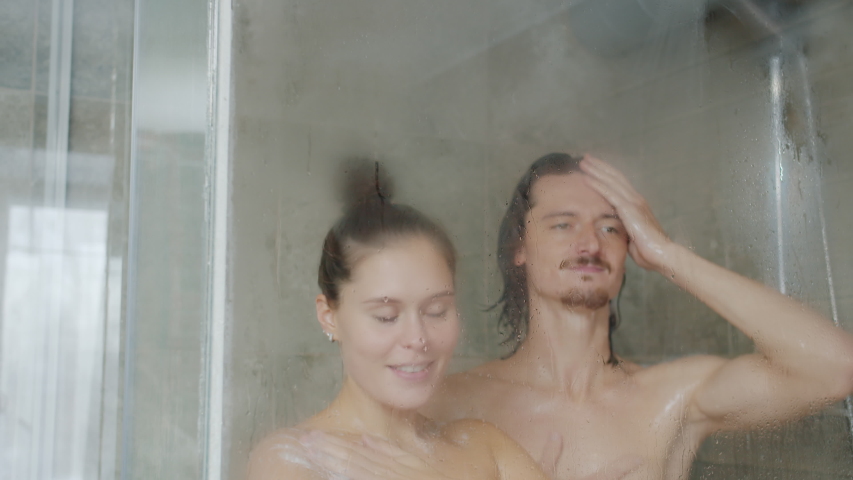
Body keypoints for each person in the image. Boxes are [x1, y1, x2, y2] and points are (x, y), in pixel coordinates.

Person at [424, 153, 853, 479]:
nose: (590, 244)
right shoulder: (451, 404)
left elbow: (835, 367)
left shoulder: (669, 399)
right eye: (563, 225)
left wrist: (667, 254)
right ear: (519, 247)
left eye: (610, 227)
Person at [245, 161, 550, 480]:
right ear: (329, 317)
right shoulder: (293, 461)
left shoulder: (485, 447)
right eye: (386, 316)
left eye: (436, 311)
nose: (418, 338)